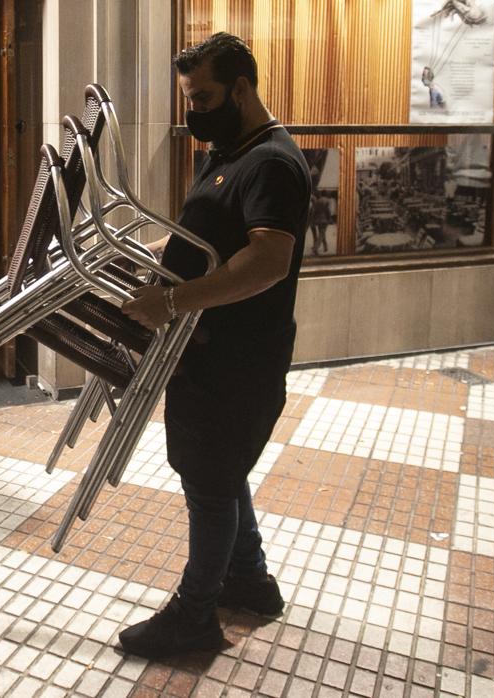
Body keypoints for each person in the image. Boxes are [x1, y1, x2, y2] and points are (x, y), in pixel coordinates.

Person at [117, 32, 311, 659]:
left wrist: (172, 302)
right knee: (220, 468)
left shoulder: (270, 163)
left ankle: (196, 614)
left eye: (203, 96)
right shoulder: (228, 151)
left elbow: (267, 263)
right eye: (188, 98)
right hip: (209, 346)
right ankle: (249, 580)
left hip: (238, 353)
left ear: (242, 88)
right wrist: (146, 259)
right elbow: (208, 242)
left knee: (208, 478)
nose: (193, 111)